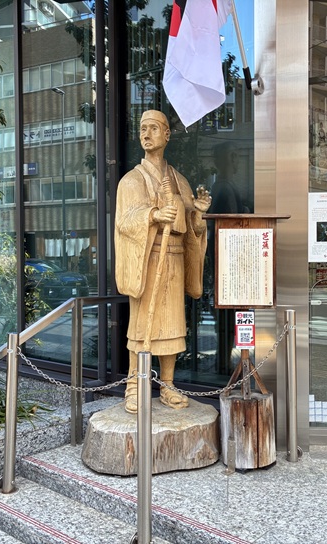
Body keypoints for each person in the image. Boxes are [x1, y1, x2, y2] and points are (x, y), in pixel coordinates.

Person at [114, 110, 211, 414]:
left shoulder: (179, 181)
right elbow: (124, 222)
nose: (146, 134)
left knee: (171, 325)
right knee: (141, 326)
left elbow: (193, 230)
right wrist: (153, 215)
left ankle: (167, 384)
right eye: (142, 129)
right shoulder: (131, 180)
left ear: (167, 135)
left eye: (153, 128)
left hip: (175, 259)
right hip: (147, 260)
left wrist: (198, 215)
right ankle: (134, 385)